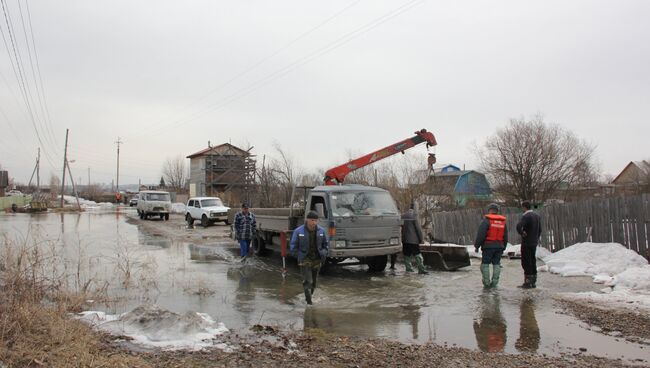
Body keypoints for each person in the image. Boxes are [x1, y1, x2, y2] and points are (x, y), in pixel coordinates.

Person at [290, 210, 329, 305]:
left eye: (316, 220)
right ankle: (309, 303)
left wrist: (324, 253)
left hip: (317, 259)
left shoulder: (321, 231)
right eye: (312, 220)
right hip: (304, 259)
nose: (314, 222)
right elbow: (293, 246)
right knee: (308, 281)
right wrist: (299, 256)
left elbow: (325, 245)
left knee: (314, 283)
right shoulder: (298, 231)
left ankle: (308, 297)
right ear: (307, 220)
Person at [474, 203, 508, 288]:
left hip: (488, 246)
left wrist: (477, 246)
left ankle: (486, 283)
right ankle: (494, 283)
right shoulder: (503, 222)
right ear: (497, 211)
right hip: (499, 246)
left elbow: (481, 235)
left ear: (489, 210)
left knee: (485, 264)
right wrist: (504, 246)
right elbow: (505, 236)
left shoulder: (486, 221)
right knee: (496, 264)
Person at [516, 201, 542, 288]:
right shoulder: (537, 216)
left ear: (524, 207)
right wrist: (536, 238)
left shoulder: (526, 216)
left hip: (526, 242)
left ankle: (527, 282)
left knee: (526, 261)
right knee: (532, 260)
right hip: (534, 242)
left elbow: (519, 226)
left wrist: (522, 233)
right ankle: (533, 281)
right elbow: (540, 230)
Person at [401, 205, 428, 274]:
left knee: (407, 255)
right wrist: (421, 239)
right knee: (417, 255)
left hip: (405, 240)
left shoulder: (403, 216)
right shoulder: (414, 216)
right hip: (413, 240)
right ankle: (422, 270)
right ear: (415, 208)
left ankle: (409, 270)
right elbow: (418, 229)